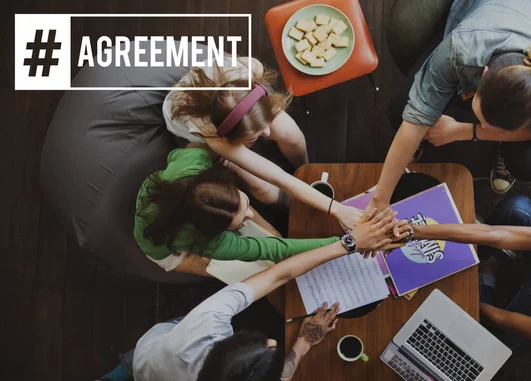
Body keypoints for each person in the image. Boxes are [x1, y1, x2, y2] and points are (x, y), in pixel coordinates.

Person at [98, 207, 411, 381]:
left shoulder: (204, 323)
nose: (275, 342)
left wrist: (349, 243)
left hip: (145, 360)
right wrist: (302, 343)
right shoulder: (208, 323)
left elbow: (278, 272)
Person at [379, 0, 531, 204]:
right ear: (483, 74)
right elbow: (416, 116)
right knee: (400, 110)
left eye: (498, 129)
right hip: (482, 19)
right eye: (482, 118)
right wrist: (379, 201)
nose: (486, 127)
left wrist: (465, 131)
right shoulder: (462, 48)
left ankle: (505, 148)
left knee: (529, 165)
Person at [163, 54, 363, 230]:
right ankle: (290, 205)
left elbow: (265, 114)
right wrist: (336, 209)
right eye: (255, 135)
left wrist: (303, 172)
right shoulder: (212, 135)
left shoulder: (249, 69)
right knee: (260, 185)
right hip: (202, 135)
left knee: (290, 133)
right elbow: (278, 177)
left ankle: (305, 167)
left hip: (240, 97)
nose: (268, 132)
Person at [402, 195, 531, 350]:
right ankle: (486, 255)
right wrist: (415, 232)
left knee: (486, 337)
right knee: (517, 207)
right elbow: (496, 233)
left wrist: (464, 300)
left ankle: (487, 278)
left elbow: (505, 319)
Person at [135, 144, 345, 275]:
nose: (251, 214)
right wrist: (343, 242)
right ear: (217, 233)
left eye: (243, 204)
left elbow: (192, 148)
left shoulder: (192, 163)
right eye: (241, 219)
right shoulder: (210, 244)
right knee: (257, 268)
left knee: (273, 234)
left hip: (189, 212)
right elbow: (277, 250)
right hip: (162, 247)